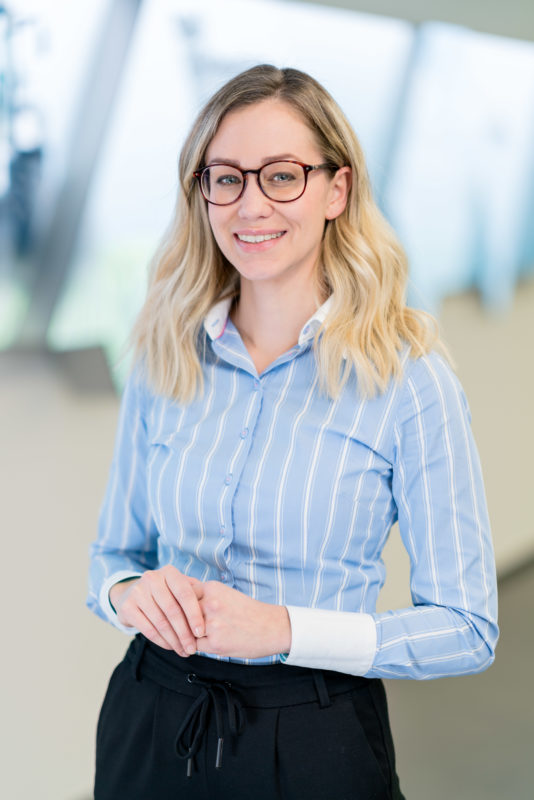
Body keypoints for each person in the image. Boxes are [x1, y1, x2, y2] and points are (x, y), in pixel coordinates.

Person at [87, 64, 498, 800]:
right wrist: (126, 592)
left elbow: (467, 627)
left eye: (282, 176)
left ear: (337, 190)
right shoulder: (164, 353)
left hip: (314, 735)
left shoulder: (410, 380)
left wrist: (284, 629)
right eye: (226, 178)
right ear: (202, 193)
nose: (251, 204)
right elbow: (112, 556)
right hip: (150, 718)